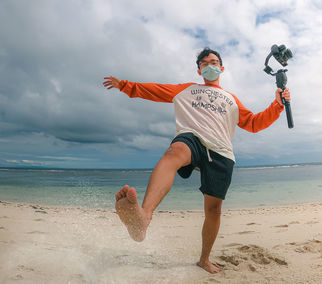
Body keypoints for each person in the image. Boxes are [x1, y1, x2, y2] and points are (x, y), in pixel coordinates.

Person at [102, 47, 291, 274]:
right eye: (204, 63)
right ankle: (143, 217)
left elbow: (253, 123)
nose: (209, 65)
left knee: (213, 210)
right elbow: (153, 90)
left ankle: (204, 259)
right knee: (174, 153)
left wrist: (277, 104)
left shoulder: (232, 99)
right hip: (192, 139)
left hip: (221, 150)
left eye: (213, 62)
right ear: (199, 69)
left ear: (221, 68)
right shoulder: (187, 90)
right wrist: (124, 85)